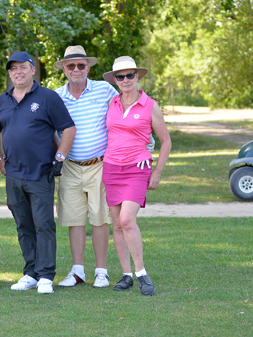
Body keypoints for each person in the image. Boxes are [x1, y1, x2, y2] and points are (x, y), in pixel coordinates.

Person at [0, 51, 76, 294]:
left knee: (43, 224)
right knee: (24, 225)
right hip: (13, 175)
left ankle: (46, 276)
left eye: (23, 67)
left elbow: (68, 128)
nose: (19, 72)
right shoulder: (2, 101)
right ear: (9, 73)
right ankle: (30, 272)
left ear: (32, 70)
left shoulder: (47, 98)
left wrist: (59, 156)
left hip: (40, 173)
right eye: (14, 69)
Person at [102, 56, 171, 296]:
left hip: (137, 169)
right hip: (111, 168)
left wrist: (157, 173)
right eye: (120, 77)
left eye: (129, 75)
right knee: (117, 226)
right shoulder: (111, 103)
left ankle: (141, 273)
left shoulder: (150, 105)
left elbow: (166, 142)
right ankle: (126, 275)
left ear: (137, 76)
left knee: (127, 220)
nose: (125, 80)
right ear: (115, 80)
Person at [53, 45, 118, 289]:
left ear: (88, 68)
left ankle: (101, 271)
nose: (77, 69)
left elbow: (121, 116)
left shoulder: (104, 90)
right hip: (69, 165)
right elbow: (49, 130)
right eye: (71, 66)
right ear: (64, 70)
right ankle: (78, 270)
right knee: (74, 218)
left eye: (81, 65)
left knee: (100, 217)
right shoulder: (56, 96)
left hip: (100, 164)